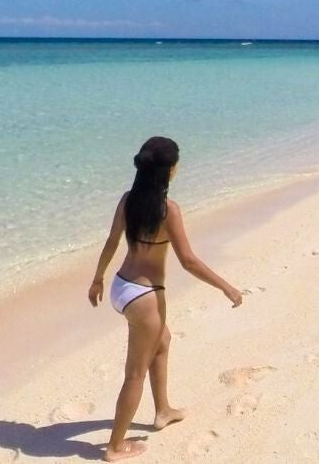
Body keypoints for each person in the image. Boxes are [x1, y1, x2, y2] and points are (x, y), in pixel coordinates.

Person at [88, 136, 243, 461]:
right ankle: (115, 447)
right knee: (134, 374)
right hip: (145, 295)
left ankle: (163, 411)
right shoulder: (167, 210)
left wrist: (98, 279)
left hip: (121, 287)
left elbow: (113, 240)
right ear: (168, 170)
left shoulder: (128, 200)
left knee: (163, 340)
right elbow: (188, 260)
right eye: (177, 162)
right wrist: (225, 286)